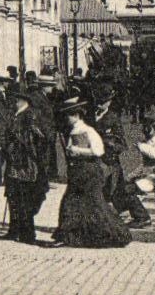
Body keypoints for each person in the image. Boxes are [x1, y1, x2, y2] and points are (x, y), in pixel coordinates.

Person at [53, 96, 132, 248]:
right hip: (78, 172)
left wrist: (77, 150)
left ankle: (115, 234)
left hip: (89, 172)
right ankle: (71, 237)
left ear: (76, 115)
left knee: (95, 204)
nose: (66, 119)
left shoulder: (88, 131)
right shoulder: (74, 131)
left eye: (68, 115)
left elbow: (98, 151)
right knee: (72, 204)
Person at [90, 82, 150, 228]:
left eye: (103, 102)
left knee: (118, 190)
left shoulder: (113, 118)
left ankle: (142, 216)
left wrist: (107, 143)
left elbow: (122, 144)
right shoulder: (92, 116)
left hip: (110, 161)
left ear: (109, 102)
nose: (99, 105)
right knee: (110, 191)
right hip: (97, 160)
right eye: (98, 101)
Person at [2, 86, 50, 244]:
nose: (13, 101)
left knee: (24, 197)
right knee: (13, 195)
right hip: (15, 162)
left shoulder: (30, 116)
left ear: (23, 101)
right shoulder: (16, 114)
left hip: (25, 163)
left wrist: (14, 141)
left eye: (16, 99)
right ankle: (14, 230)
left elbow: (36, 139)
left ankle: (27, 234)